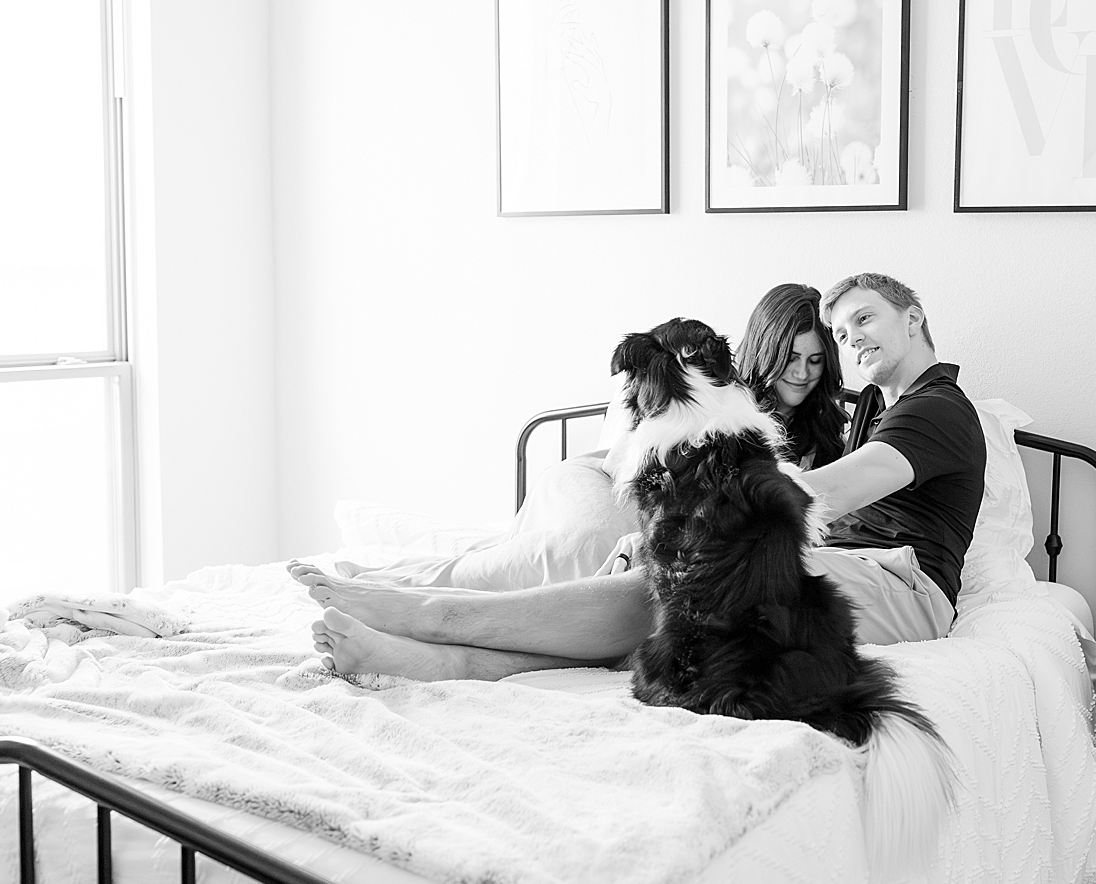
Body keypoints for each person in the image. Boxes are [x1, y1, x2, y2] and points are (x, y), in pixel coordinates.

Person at [292, 273, 984, 681]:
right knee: (649, 592)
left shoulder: (935, 410)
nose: (844, 343)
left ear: (914, 317)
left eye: (863, 320)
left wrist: (704, 532)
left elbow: (825, 494)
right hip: (822, 555)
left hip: (901, 582)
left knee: (681, 590)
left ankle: (434, 620)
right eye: (838, 332)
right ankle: (434, 657)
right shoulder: (873, 410)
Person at [737, 283, 847, 469]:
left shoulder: (828, 427)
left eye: (815, 361)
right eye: (790, 359)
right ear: (763, 352)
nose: (802, 373)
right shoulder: (727, 422)